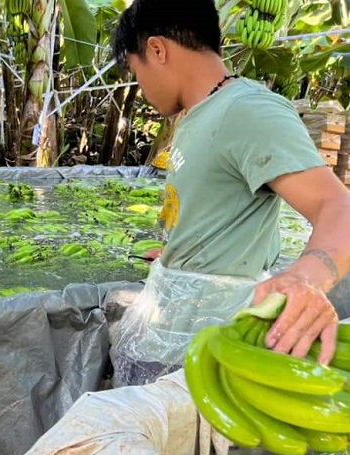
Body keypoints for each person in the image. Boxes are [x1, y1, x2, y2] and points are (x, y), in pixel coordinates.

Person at [110, 0, 350, 387]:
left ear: (157, 49)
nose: (142, 91)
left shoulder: (248, 111)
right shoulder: (195, 116)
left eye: (137, 74)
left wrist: (306, 278)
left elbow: (336, 204)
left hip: (218, 342)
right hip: (178, 330)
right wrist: (180, 253)